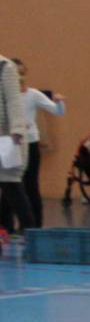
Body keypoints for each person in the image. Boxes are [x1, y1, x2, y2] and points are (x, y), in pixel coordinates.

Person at [13, 58, 63, 229]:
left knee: (31, 185)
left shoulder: (33, 94)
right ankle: (11, 226)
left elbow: (58, 111)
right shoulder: (5, 95)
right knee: (10, 186)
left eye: (21, 73)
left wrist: (59, 101)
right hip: (11, 145)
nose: (19, 77)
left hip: (30, 143)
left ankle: (35, 226)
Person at [0, 55, 27, 236]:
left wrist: (17, 129)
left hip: (5, 136)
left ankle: (30, 230)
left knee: (11, 184)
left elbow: (14, 100)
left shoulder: (5, 67)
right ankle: (5, 228)